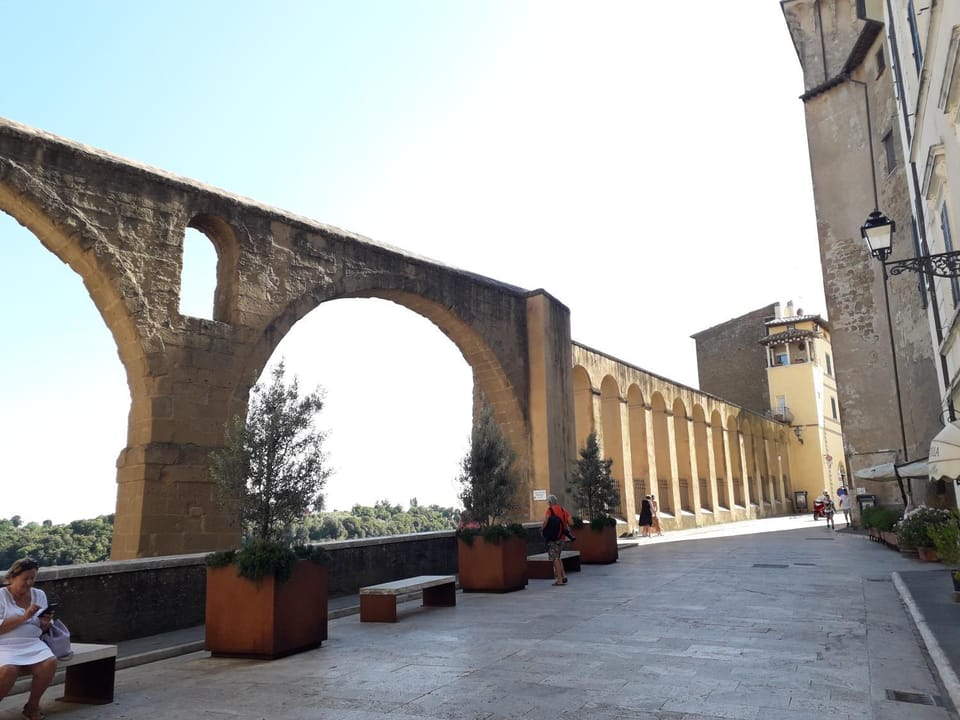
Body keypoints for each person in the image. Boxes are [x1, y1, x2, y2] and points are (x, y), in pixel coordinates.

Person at [0, 558, 58, 720]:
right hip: (4, 645)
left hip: (32, 642)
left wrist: (45, 623)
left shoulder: (39, 594)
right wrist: (25, 616)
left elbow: (42, 628)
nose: (29, 582)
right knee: (8, 670)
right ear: (12, 577)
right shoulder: (1, 596)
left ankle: (32, 706)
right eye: (25, 578)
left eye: (33, 578)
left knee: (50, 662)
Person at [542, 495, 571, 585]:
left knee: (555, 558)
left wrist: (542, 529)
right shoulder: (563, 510)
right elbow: (571, 522)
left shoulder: (550, 510)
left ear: (550, 502)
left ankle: (559, 580)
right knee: (558, 557)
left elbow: (546, 522)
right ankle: (564, 576)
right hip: (562, 538)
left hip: (553, 538)